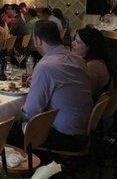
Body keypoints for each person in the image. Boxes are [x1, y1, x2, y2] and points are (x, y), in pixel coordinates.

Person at [10, 20, 93, 152]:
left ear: (38, 40)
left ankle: (23, 169)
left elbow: (31, 112)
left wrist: (9, 114)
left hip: (64, 136)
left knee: (6, 130)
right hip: (84, 129)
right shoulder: (77, 58)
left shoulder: (46, 65)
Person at [71, 26, 113, 98]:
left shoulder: (93, 66)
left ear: (89, 47)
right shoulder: (90, 61)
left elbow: (83, 94)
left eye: (78, 42)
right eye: (74, 40)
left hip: (94, 107)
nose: (73, 43)